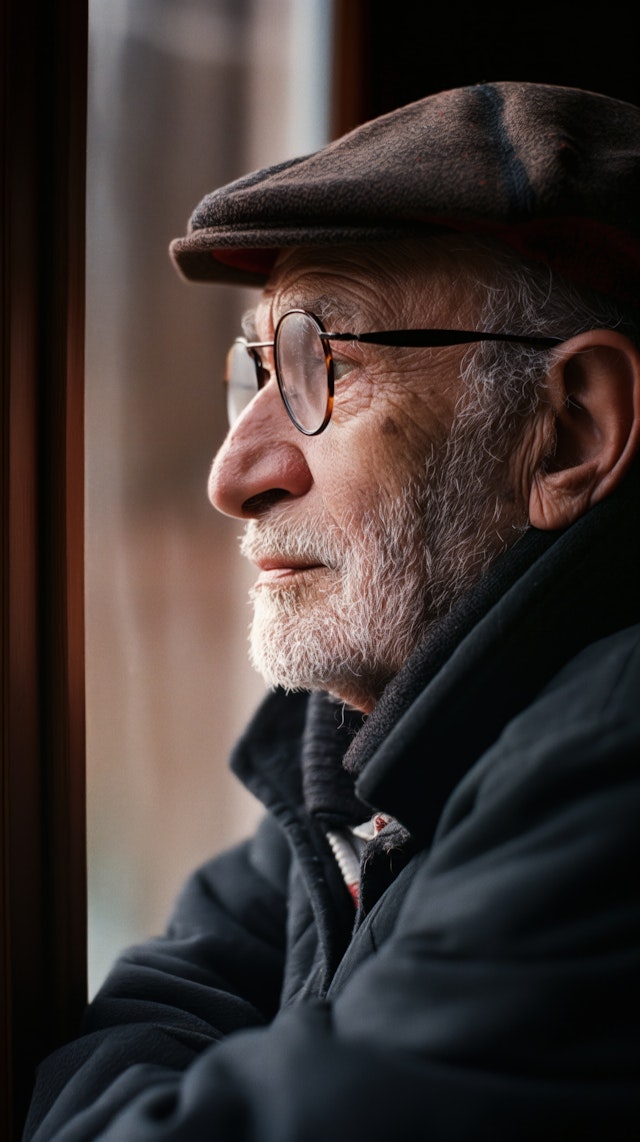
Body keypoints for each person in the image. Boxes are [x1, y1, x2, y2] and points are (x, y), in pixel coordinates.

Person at [24, 80, 640, 1141]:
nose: (234, 471)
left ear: (571, 432)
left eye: (324, 367)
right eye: (254, 371)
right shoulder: (369, 752)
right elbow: (153, 1009)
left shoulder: (610, 751)